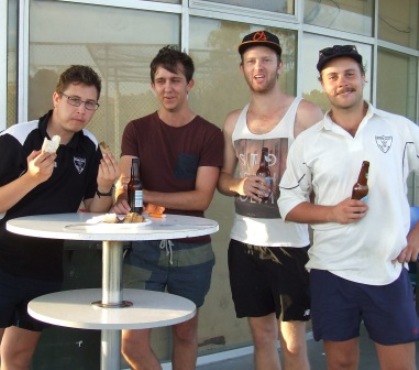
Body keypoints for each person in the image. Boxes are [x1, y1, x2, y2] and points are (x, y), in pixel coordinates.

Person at [278, 45, 419, 369]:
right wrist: (331, 212)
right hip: (332, 271)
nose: (342, 82)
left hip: (387, 268)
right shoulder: (310, 141)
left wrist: (416, 235)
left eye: (349, 74)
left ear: (363, 78)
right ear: (322, 84)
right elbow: (288, 202)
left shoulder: (398, 130)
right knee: (340, 364)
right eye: (333, 76)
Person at [0, 65, 119, 370]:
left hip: (45, 266)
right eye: (74, 100)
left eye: (90, 103)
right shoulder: (18, 138)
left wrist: (106, 188)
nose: (81, 110)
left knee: (17, 357)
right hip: (3, 260)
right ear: (56, 98)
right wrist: (31, 178)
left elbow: (94, 211)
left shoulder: (89, 146)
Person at [112, 45, 224, 370]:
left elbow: (202, 198)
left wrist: (143, 196)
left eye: (175, 80)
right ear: (152, 85)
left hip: (192, 251)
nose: (167, 88)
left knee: (186, 334)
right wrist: (120, 191)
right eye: (160, 81)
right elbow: (126, 182)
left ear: (190, 84)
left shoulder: (209, 134)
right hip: (143, 248)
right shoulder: (136, 128)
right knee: (131, 343)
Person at [217, 30, 323, 370]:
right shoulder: (234, 120)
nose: (258, 66)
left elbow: (327, 178)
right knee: (261, 337)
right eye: (251, 61)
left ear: (280, 65)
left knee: (293, 344)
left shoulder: (305, 113)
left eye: (265, 59)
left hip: (291, 244)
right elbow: (221, 179)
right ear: (242, 69)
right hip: (244, 243)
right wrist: (239, 185)